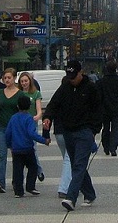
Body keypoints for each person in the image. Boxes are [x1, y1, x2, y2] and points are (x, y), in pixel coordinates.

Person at [42, 60, 102, 212]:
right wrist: (47, 117)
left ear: (81, 73)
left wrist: (94, 130)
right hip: (68, 131)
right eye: (69, 76)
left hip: (85, 131)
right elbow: (53, 104)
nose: (72, 79)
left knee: (79, 165)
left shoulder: (91, 88)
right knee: (77, 164)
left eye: (74, 76)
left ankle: (71, 197)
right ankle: (89, 193)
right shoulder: (65, 87)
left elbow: (98, 110)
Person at [5, 95, 49, 198]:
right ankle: (30, 186)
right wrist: (44, 140)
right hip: (28, 148)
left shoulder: (13, 118)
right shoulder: (29, 118)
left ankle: (18, 191)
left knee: (17, 170)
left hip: (16, 149)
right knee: (33, 167)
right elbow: (32, 134)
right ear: (29, 106)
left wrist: (9, 144)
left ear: (17, 106)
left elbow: (8, 133)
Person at [0, 68, 22, 194]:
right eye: (5, 78)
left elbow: (22, 112)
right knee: (1, 155)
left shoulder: (20, 94)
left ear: (14, 78)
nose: (7, 80)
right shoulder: (0, 93)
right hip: (1, 127)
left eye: (9, 78)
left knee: (16, 156)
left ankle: (16, 182)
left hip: (15, 129)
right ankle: (0, 182)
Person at [18, 71, 44, 180]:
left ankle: (38, 170)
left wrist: (37, 116)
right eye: (22, 81)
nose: (24, 83)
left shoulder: (36, 93)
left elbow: (39, 109)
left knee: (33, 147)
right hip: (20, 124)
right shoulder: (18, 93)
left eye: (26, 81)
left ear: (30, 81)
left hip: (31, 123)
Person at [97, 60, 118, 156]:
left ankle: (106, 147)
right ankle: (113, 148)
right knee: (115, 128)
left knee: (105, 128)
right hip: (116, 107)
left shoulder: (101, 81)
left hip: (104, 108)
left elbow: (98, 94)